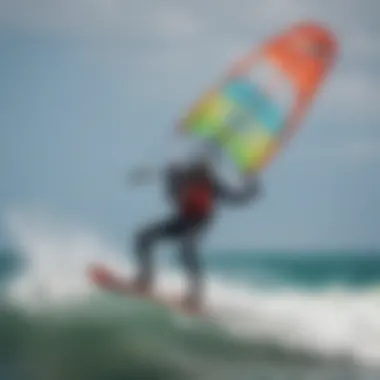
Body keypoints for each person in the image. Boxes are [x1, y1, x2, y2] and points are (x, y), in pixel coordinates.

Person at [129, 152, 262, 312]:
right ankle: (145, 279)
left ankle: (195, 295)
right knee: (143, 237)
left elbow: (237, 197)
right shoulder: (182, 176)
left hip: (199, 223)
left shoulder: (212, 183)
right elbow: (161, 183)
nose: (201, 172)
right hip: (181, 219)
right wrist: (147, 175)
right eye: (198, 168)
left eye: (204, 169)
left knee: (186, 248)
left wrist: (252, 185)